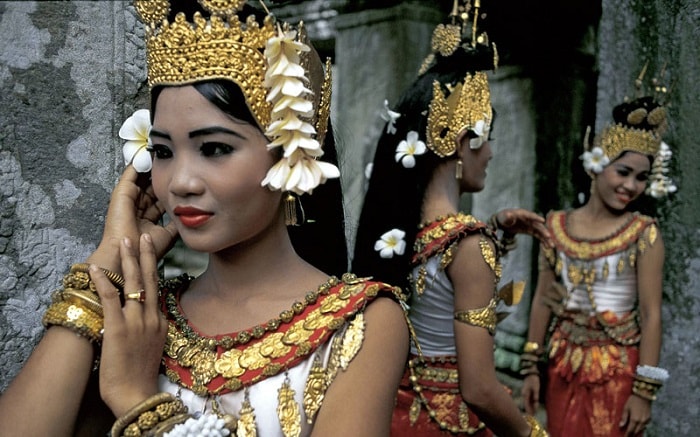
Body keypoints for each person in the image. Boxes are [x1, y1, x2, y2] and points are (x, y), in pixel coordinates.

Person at [0, 1, 408, 436]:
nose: (179, 182)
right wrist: (107, 268)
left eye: (213, 148)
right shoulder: (144, 316)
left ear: (292, 155)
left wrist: (139, 403)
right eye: (161, 151)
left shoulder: (361, 322)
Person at [352, 2, 550, 436]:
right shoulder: (468, 247)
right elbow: (479, 388)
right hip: (447, 423)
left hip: (391, 414)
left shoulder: (395, 232)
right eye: (488, 138)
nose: (492, 152)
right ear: (462, 143)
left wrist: (493, 229)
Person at [520, 77, 674, 437]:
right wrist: (531, 366)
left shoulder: (644, 233)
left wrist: (644, 392)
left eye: (641, 177)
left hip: (618, 370)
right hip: (563, 365)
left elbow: (651, 315)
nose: (631, 186)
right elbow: (543, 299)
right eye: (623, 172)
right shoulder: (555, 226)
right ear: (596, 163)